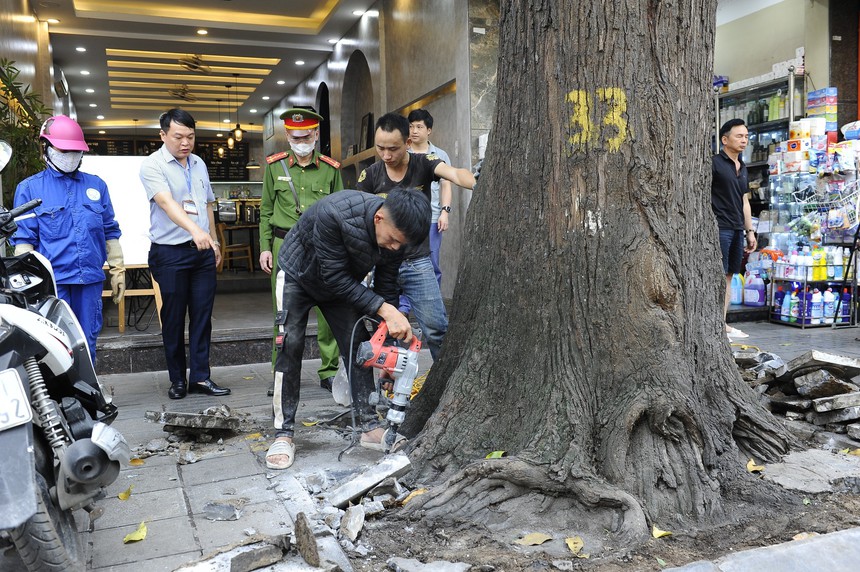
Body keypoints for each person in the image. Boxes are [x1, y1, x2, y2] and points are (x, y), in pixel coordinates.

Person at [266, 188, 430, 470]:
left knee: (360, 348)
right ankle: (283, 433)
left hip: (341, 283)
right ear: (379, 218)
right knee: (289, 344)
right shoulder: (335, 213)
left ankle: (368, 426)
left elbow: (385, 288)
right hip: (299, 275)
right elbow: (333, 276)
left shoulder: (396, 240)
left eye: (400, 245)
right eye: (392, 240)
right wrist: (386, 310)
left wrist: (387, 347)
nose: (393, 248)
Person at [355, 113, 475, 360]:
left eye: (393, 149)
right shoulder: (370, 176)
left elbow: (454, 174)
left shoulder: (424, 162)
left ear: (408, 143)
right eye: (380, 148)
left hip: (418, 263)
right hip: (383, 264)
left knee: (437, 328)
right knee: (388, 333)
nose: (386, 155)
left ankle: (443, 384)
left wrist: (476, 181)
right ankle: (392, 389)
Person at [11, 114, 125, 364]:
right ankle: (62, 398)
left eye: (76, 150)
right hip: (53, 284)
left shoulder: (97, 186)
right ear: (46, 148)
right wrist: (26, 286)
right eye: (64, 149)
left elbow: (109, 229)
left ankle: (90, 394)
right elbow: (24, 240)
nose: (71, 155)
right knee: (56, 343)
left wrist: (117, 270)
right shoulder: (30, 189)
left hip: (90, 280)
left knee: (87, 339)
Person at [139, 108, 231, 399]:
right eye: (178, 136)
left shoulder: (199, 164)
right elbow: (166, 203)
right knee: (174, 318)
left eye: (190, 136)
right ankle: (178, 379)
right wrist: (195, 231)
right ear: (163, 135)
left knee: (203, 317)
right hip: (170, 254)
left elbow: (206, 205)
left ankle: (201, 377)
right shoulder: (152, 166)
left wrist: (213, 241)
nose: (185, 143)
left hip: (202, 252)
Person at [259, 108, 342, 394]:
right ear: (287, 136)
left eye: (306, 136)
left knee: (327, 310)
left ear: (316, 134)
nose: (300, 141)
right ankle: (281, 371)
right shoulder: (274, 167)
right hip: (284, 246)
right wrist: (264, 248)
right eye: (294, 137)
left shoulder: (331, 169)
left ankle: (329, 370)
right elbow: (266, 211)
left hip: (321, 247)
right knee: (283, 313)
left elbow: (341, 211)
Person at [711, 118, 756, 339]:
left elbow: (744, 201)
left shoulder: (743, 167)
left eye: (746, 136)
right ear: (724, 139)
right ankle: (712, 324)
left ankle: (722, 322)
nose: (744, 140)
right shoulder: (714, 163)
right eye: (739, 136)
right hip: (720, 227)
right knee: (717, 276)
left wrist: (750, 231)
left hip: (738, 229)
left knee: (729, 276)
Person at [407, 108, 452, 291]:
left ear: (429, 130)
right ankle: (403, 307)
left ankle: (433, 304)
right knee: (403, 262)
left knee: (432, 261)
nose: (414, 131)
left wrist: (445, 212)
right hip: (405, 218)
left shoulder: (440, 155)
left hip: (432, 218)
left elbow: (446, 184)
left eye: (419, 126)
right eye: (411, 126)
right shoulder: (402, 153)